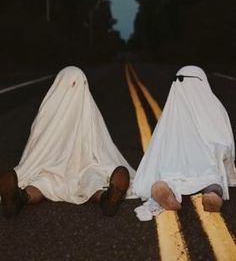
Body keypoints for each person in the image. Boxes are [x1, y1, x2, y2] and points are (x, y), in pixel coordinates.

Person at [0, 66, 135, 219]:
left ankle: (19, 198)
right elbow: (101, 145)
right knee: (92, 179)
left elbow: (35, 145)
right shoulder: (89, 111)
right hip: (83, 167)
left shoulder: (47, 110)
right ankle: (105, 198)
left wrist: (33, 164)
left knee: (42, 182)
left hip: (50, 168)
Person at [133, 65, 236, 221]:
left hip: (174, 167)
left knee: (171, 176)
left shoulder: (170, 113)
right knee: (212, 178)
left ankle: (166, 188)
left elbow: (157, 147)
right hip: (207, 164)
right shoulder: (215, 107)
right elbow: (226, 141)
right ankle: (213, 194)